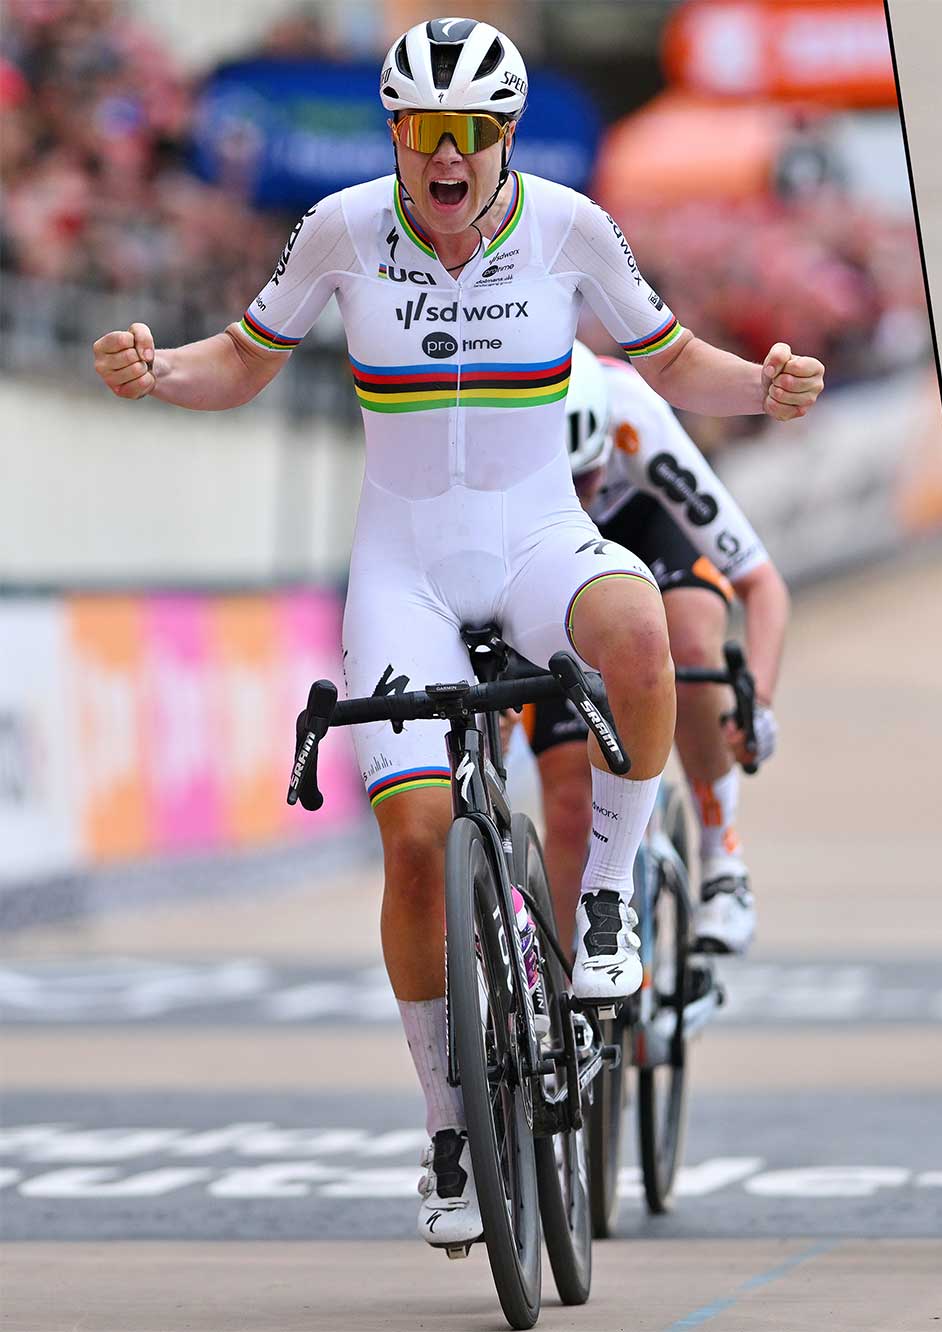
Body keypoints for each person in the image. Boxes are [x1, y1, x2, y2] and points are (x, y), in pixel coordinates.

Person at [91, 17, 824, 1246]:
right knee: (417, 839)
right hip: (405, 571)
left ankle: (604, 904)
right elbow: (242, 357)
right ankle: (445, 1128)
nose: (448, 157)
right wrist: (159, 369)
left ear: (502, 140)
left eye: (472, 135)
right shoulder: (337, 230)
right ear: (394, 136)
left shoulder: (571, 227)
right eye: (425, 134)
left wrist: (759, 383)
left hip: (539, 538)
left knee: (640, 625)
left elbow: (668, 356)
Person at [524, 342, 790, 960]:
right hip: (537, 541)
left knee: (692, 639)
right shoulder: (498, 428)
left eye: (588, 477)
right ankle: (574, 1001)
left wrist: (760, 701)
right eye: (569, 483)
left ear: (606, 450)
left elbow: (760, 582)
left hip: (647, 522)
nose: (582, 496)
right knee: (568, 800)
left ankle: (721, 856)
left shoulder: (634, 417)